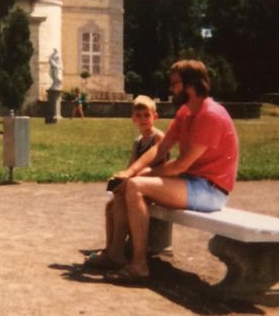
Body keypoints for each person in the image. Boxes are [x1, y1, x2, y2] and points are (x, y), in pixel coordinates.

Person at [99, 59, 239, 283]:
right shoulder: (186, 112)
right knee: (125, 185)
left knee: (135, 186)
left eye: (175, 83)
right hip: (192, 182)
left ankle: (139, 265)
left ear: (190, 85)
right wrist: (129, 171)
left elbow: (181, 165)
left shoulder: (210, 115)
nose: (171, 88)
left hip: (211, 191)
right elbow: (160, 149)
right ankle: (115, 253)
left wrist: (136, 177)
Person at [85, 96, 168, 269]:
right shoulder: (138, 142)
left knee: (121, 203)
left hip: (156, 185)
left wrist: (134, 178)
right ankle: (111, 249)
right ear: (133, 118)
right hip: (139, 184)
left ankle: (116, 252)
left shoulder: (158, 137)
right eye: (139, 115)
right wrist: (119, 179)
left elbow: (163, 167)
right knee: (111, 204)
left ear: (155, 117)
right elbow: (131, 166)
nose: (143, 119)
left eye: (147, 115)